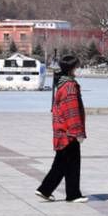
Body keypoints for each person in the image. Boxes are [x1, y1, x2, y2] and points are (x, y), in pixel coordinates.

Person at [36, 54, 87, 203]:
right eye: (76, 66)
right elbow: (72, 110)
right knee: (71, 163)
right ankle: (71, 194)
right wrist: (77, 132)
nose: (78, 69)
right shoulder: (70, 85)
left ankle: (46, 190)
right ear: (72, 68)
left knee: (63, 163)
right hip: (68, 132)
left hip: (61, 130)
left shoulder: (62, 84)